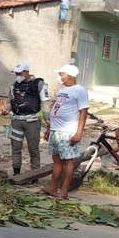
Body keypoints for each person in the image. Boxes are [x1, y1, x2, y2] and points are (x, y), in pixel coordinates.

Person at [43, 64, 89, 199]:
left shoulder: (80, 90)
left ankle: (64, 191)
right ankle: (53, 188)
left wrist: (78, 133)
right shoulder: (62, 90)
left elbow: (83, 112)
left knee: (68, 161)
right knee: (56, 159)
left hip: (68, 131)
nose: (59, 77)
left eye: (61, 74)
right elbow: (56, 108)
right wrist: (49, 128)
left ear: (69, 76)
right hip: (56, 130)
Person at [8, 63, 49, 175]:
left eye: (20, 73)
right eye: (16, 73)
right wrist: (6, 109)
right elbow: (10, 100)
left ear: (26, 72)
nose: (17, 75)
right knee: (16, 148)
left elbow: (45, 102)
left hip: (32, 120)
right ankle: (16, 173)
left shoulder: (39, 84)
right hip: (16, 120)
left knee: (33, 149)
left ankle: (34, 174)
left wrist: (47, 117)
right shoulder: (14, 85)